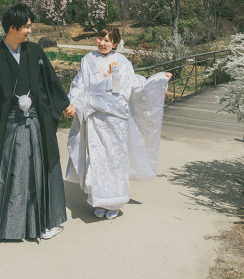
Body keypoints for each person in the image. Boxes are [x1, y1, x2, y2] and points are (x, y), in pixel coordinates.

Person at [0, 4, 70, 246]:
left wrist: (64, 104)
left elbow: (50, 82)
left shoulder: (34, 52)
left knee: (37, 172)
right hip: (7, 125)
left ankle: (42, 224)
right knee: (3, 174)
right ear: (13, 27)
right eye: (26, 27)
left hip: (35, 123)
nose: (29, 32)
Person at [64, 25, 170, 219]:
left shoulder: (122, 62)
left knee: (115, 160)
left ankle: (115, 202)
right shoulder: (87, 61)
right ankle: (99, 200)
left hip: (116, 119)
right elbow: (80, 86)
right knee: (97, 161)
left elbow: (136, 85)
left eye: (107, 40)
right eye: (100, 38)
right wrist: (72, 104)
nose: (102, 43)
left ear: (115, 43)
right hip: (95, 118)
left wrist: (158, 79)